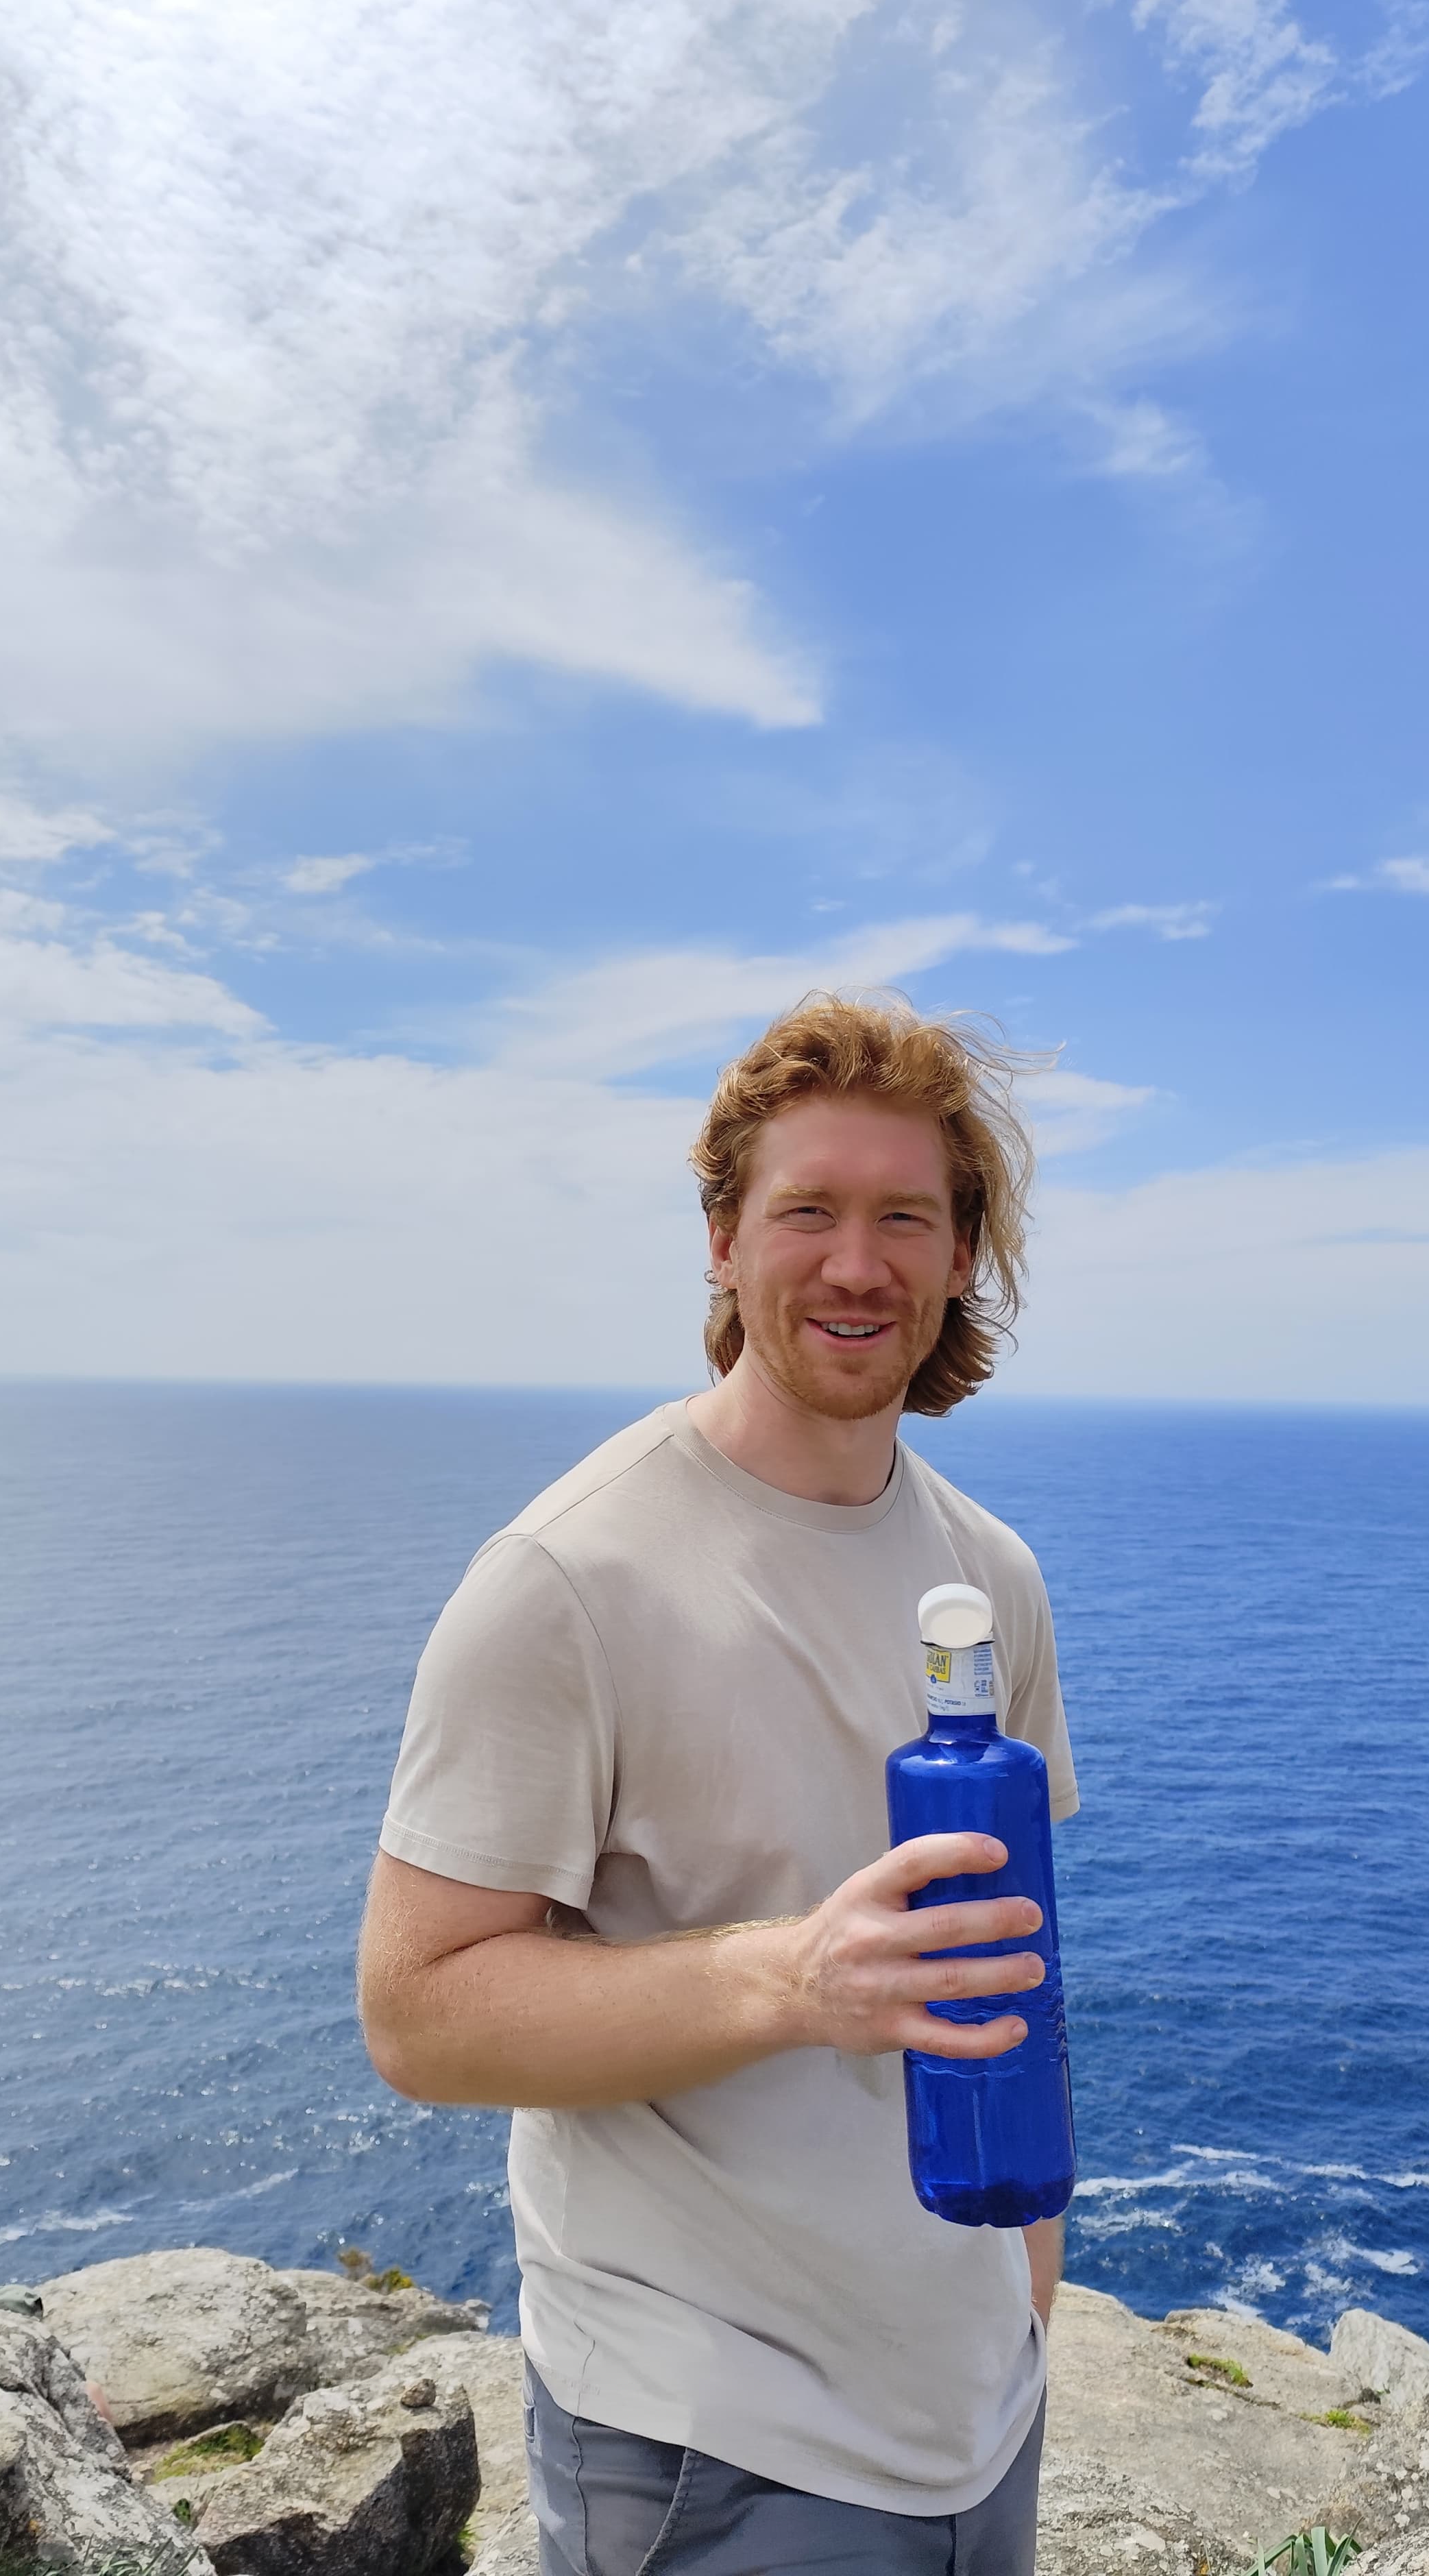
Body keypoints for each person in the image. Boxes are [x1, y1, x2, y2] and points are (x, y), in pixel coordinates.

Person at [357, 993, 1078, 2574]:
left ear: (964, 1254)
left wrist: (1029, 2296)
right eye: (807, 1210)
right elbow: (417, 2013)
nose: (856, 1263)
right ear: (721, 1240)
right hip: (712, 2449)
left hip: (979, 2414)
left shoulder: (990, 1578)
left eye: (906, 1216)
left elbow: (1015, 1963)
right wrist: (794, 1980)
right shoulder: (569, 1579)